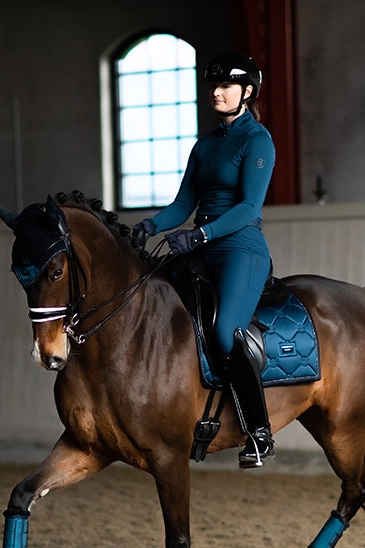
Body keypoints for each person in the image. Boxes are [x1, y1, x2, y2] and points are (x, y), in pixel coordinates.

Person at [132, 51, 276, 469]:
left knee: (226, 333)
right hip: (200, 247)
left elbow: (249, 207)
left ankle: (259, 433)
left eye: (226, 86)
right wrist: (150, 225)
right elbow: (183, 204)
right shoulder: (206, 144)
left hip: (240, 249)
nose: (216, 92)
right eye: (213, 86)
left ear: (247, 92)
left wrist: (200, 234)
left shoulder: (257, 140)